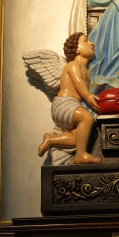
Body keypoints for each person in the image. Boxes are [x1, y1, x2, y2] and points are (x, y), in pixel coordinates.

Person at [37, 32, 101, 164]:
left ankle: (50, 140)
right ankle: (80, 155)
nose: (91, 43)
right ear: (77, 49)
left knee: (79, 137)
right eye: (86, 41)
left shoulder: (86, 70)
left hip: (72, 104)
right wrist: (88, 97)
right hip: (64, 104)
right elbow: (79, 83)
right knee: (86, 118)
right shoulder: (73, 65)